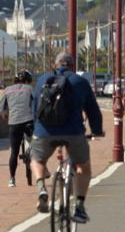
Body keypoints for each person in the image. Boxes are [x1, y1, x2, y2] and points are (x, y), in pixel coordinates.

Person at [31, 52, 103, 223]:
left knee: (37, 159)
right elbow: (93, 111)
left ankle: (42, 189)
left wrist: (37, 130)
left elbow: (34, 108)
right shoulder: (80, 82)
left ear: (55, 65)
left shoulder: (42, 80)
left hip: (45, 131)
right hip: (74, 131)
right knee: (83, 167)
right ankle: (79, 207)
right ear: (73, 66)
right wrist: (97, 130)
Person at [0, 70, 34, 187]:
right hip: (29, 121)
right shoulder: (30, 89)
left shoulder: (7, 90)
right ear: (26, 81)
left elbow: (2, 110)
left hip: (14, 123)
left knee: (14, 152)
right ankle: (32, 154)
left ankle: (12, 179)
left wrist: (7, 118)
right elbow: (37, 104)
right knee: (37, 144)